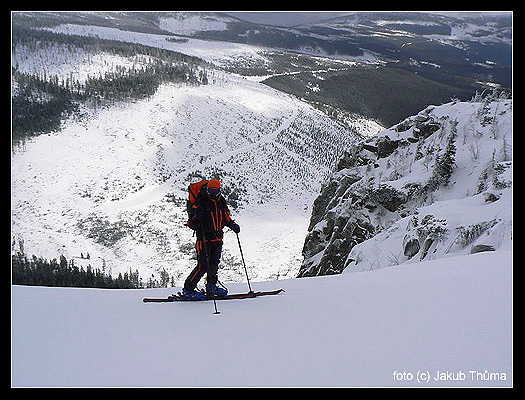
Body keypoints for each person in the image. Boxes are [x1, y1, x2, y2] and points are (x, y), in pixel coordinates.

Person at [183, 179, 240, 300]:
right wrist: (196, 216)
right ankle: (188, 289)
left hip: (218, 238)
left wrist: (232, 225)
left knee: (214, 263)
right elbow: (192, 224)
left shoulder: (221, 202)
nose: (213, 194)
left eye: (216, 191)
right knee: (202, 266)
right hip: (204, 239)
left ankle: (211, 286)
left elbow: (225, 216)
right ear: (207, 190)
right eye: (210, 191)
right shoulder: (200, 202)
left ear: (219, 191)